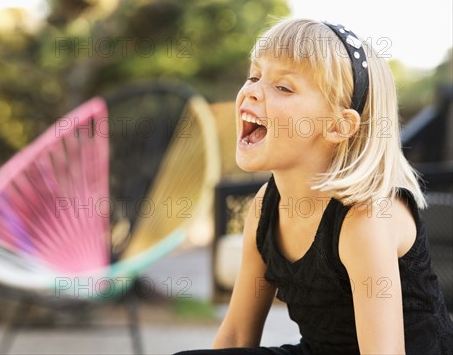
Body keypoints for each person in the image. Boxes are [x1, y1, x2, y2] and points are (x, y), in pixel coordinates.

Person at [175, 18, 453, 355]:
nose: (250, 90)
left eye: (284, 87)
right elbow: (236, 336)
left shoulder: (364, 219)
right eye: (254, 76)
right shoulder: (266, 206)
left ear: (338, 125)